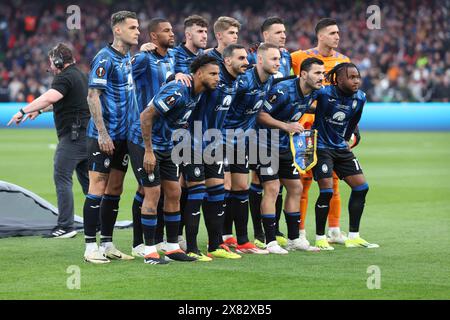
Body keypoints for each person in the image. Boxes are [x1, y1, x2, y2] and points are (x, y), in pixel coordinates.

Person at [139, 55, 220, 263]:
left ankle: (173, 247)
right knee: (153, 194)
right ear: (199, 73)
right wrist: (148, 151)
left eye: (218, 74)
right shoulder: (179, 90)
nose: (217, 78)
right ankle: (149, 251)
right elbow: (146, 116)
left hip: (167, 146)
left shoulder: (197, 94)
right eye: (213, 74)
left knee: (174, 192)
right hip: (147, 145)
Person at [7, 43, 89, 239]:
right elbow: (67, 101)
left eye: (52, 63)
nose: (50, 67)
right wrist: (40, 110)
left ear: (59, 61)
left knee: (62, 178)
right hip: (86, 136)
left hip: (73, 137)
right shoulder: (80, 75)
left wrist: (23, 110)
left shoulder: (64, 76)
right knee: (89, 184)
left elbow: (50, 96)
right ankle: (101, 222)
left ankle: (66, 226)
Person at [82, 11, 140, 264]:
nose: (138, 31)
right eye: (133, 27)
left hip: (124, 136)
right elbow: (92, 96)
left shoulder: (126, 57)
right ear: (118, 30)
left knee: (115, 188)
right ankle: (89, 247)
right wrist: (103, 133)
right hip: (103, 136)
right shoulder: (104, 58)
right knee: (97, 187)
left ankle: (107, 243)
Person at [181, 44, 248, 261]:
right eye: (242, 58)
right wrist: (176, 74)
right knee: (194, 194)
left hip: (215, 143)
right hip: (192, 142)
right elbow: (186, 75)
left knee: (218, 193)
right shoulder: (208, 80)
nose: (246, 62)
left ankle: (215, 244)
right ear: (227, 60)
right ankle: (190, 247)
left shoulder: (234, 82)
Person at [291, 18, 352, 245]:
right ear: (321, 36)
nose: (337, 36)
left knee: (334, 180)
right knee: (303, 180)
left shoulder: (344, 61)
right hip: (307, 127)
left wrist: (350, 126)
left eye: (338, 32)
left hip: (332, 130)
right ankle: (299, 232)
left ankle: (334, 230)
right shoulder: (298, 58)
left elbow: (348, 96)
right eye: (333, 33)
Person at [256, 57, 326, 253]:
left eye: (323, 73)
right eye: (317, 73)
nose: (322, 77)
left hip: (284, 145)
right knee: (272, 188)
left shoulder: (314, 92)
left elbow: (307, 106)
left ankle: (294, 239)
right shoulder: (283, 90)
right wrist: (285, 126)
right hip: (264, 143)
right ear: (303, 74)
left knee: (296, 187)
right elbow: (260, 114)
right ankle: (270, 241)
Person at [312, 62, 379, 250]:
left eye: (357, 77)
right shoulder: (324, 93)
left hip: (341, 148)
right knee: (326, 192)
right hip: (322, 147)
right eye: (351, 77)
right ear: (339, 79)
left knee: (361, 187)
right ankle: (320, 238)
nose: (356, 80)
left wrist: (346, 139)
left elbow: (353, 122)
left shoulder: (361, 98)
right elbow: (305, 102)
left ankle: (353, 236)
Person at [222, 43, 281, 254]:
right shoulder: (243, 81)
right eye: (273, 59)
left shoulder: (270, 80)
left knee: (241, 188)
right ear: (261, 60)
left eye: (279, 59)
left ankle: (243, 240)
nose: (278, 63)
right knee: (220, 188)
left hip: (242, 140)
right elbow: (222, 104)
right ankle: (219, 238)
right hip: (222, 139)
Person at [127, 18, 178, 259]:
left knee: (162, 191)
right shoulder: (145, 59)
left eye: (172, 29)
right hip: (144, 135)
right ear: (154, 36)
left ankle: (164, 244)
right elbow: (124, 71)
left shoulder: (174, 56)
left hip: (167, 137)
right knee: (152, 192)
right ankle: (144, 246)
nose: (172, 33)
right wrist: (137, 52)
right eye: (166, 30)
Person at [246, 17, 292, 249]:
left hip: (277, 128)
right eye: (278, 32)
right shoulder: (252, 55)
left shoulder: (288, 58)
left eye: (284, 31)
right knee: (261, 181)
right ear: (265, 36)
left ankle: (274, 229)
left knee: (277, 183)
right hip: (257, 129)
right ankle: (259, 232)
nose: (283, 35)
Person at [206, 16, 241, 249]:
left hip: (230, 134)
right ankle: (176, 239)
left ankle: (223, 237)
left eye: (237, 33)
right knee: (192, 188)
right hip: (204, 134)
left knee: (227, 186)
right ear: (219, 35)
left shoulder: (238, 62)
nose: (235, 37)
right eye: (231, 33)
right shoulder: (207, 60)